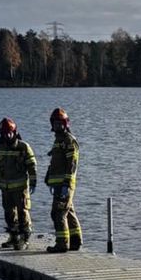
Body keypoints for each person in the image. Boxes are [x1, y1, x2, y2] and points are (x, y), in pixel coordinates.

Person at [0, 117, 37, 249]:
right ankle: (13, 236)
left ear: (15, 132)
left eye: (9, 132)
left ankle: (24, 238)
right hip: (5, 187)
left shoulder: (23, 147)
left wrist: (33, 182)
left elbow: (32, 166)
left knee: (23, 212)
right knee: (9, 213)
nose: (7, 135)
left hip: (20, 187)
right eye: (4, 133)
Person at [45, 107, 82, 253]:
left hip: (65, 184)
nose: (57, 126)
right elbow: (55, 162)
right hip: (59, 184)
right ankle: (75, 241)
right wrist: (48, 177)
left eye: (60, 123)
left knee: (58, 213)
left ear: (66, 124)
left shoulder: (69, 141)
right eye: (55, 124)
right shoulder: (58, 141)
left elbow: (71, 164)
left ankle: (62, 243)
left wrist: (66, 183)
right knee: (69, 211)